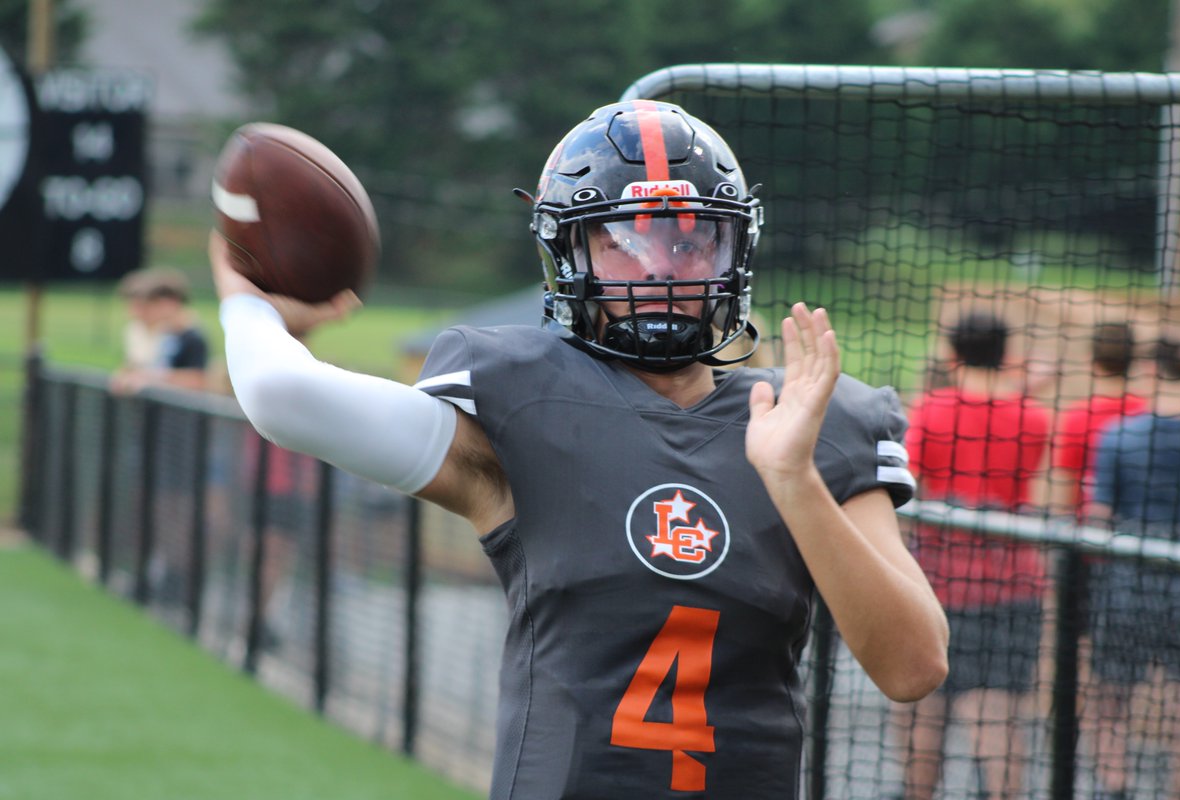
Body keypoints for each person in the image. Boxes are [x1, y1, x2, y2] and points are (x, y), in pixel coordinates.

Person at [213, 100, 948, 799]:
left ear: (735, 249)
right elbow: (283, 396)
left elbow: (914, 667)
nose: (662, 268)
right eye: (625, 240)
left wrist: (795, 481)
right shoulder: (523, 404)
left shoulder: (815, 417)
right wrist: (242, 291)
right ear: (568, 253)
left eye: (692, 240)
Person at [893, 310, 1050, 800]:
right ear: (1005, 353)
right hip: (1012, 581)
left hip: (937, 581)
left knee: (923, 704)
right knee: (998, 712)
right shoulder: (1034, 414)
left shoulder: (932, 409)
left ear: (952, 353)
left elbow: (907, 490)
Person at [1085, 334, 1180, 800]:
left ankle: (1115, 785)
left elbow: (1098, 517)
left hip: (1127, 581)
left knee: (1110, 696)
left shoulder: (1119, 434)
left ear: (1153, 372)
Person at [1044, 321, 1146, 519]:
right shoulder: (1145, 411)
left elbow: (1063, 498)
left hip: (1089, 534)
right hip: (1138, 528)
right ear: (1132, 360)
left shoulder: (1077, 417)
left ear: (1093, 360)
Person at [110, 267, 210, 394]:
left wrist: (149, 378)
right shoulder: (150, 331)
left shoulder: (192, 337)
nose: (136, 314)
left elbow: (198, 380)